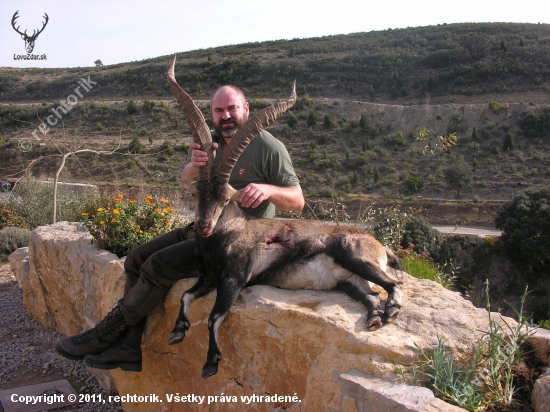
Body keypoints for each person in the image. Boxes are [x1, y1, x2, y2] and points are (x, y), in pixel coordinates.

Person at [55, 85, 305, 372]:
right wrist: (194, 164)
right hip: (203, 229)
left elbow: (297, 201)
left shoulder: (269, 147)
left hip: (237, 244)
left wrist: (266, 189)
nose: (226, 116)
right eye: (219, 110)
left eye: (232, 108)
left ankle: (103, 336)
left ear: (246, 109)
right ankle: (127, 348)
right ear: (211, 114)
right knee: (136, 258)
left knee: (157, 265)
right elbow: (187, 177)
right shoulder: (209, 141)